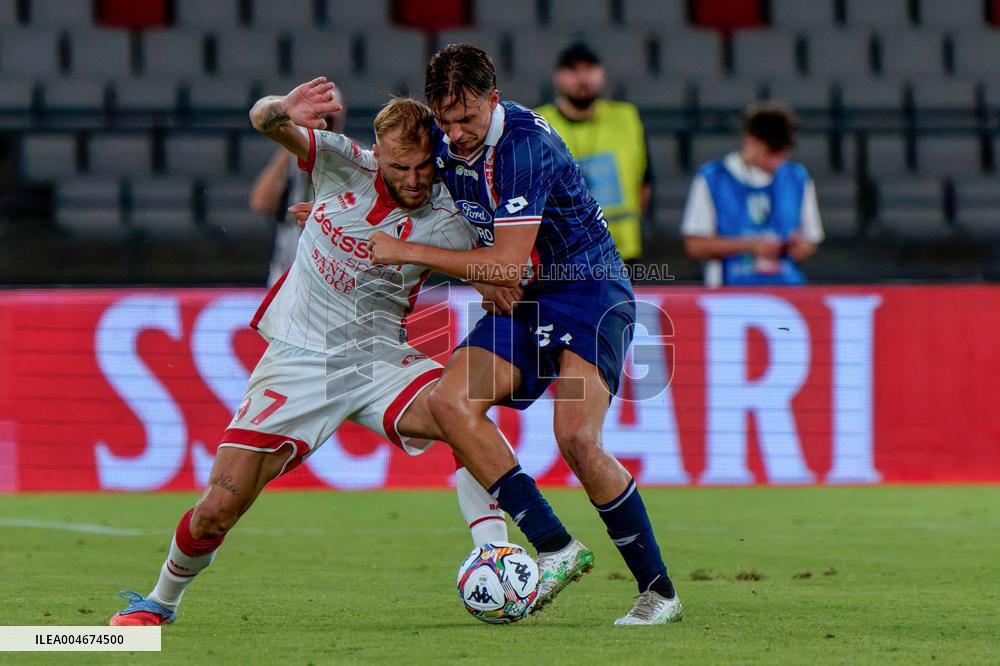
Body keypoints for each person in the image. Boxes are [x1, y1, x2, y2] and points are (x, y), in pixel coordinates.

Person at [109, 81, 581, 626]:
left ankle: (495, 554)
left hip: (378, 358)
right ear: (378, 154)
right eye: (399, 167)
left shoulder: (453, 213)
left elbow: (500, 270)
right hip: (299, 358)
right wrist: (280, 109)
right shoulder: (342, 163)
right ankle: (161, 600)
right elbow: (263, 119)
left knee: (460, 412)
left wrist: (491, 284)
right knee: (219, 507)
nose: (413, 180)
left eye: (422, 167)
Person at [367, 44, 683, 625]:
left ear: (493, 99)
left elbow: (507, 262)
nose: (455, 134)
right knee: (450, 404)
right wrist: (332, 210)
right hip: (525, 294)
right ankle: (555, 546)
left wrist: (412, 253)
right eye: (445, 120)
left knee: (577, 439)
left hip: (589, 290)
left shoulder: (525, 146)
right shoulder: (445, 137)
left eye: (467, 119)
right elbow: (394, 171)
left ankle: (658, 592)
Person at [680, 100, 824, 287]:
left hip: (786, 288)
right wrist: (749, 245)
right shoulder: (713, 178)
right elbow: (695, 246)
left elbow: (811, 241)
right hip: (728, 290)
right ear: (751, 142)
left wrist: (798, 247)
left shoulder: (797, 177)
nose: (777, 162)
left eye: (782, 155)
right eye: (771, 153)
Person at [535, 40, 652, 263]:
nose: (582, 78)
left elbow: (645, 184)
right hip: (559, 255)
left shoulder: (627, 118)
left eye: (590, 69)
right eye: (572, 70)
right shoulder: (537, 124)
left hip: (621, 253)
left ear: (602, 73)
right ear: (557, 77)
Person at [249, 88, 345, 286]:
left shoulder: (352, 159)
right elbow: (261, 203)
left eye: (328, 119)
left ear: (340, 120)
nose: (321, 125)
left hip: (333, 281)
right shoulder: (290, 159)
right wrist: (292, 138)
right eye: (316, 117)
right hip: (287, 278)